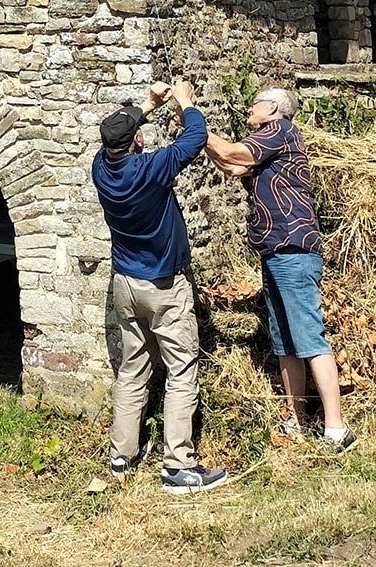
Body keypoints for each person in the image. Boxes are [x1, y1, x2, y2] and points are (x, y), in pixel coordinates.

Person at [92, 79, 228, 494]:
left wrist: (149, 105)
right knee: (181, 370)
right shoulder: (150, 169)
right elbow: (195, 138)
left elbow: (121, 134)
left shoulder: (101, 167)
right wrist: (185, 102)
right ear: (137, 140)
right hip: (164, 286)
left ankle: (122, 457)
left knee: (133, 369)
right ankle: (177, 466)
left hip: (126, 285)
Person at [203, 86, 356, 454]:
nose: (249, 110)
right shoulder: (267, 143)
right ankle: (296, 420)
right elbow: (230, 164)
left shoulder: (280, 131)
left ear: (271, 108)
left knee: (309, 337)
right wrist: (195, 131)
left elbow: (231, 151)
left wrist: (192, 115)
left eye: (254, 104)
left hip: (293, 249)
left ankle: (337, 428)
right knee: (285, 340)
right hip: (274, 251)